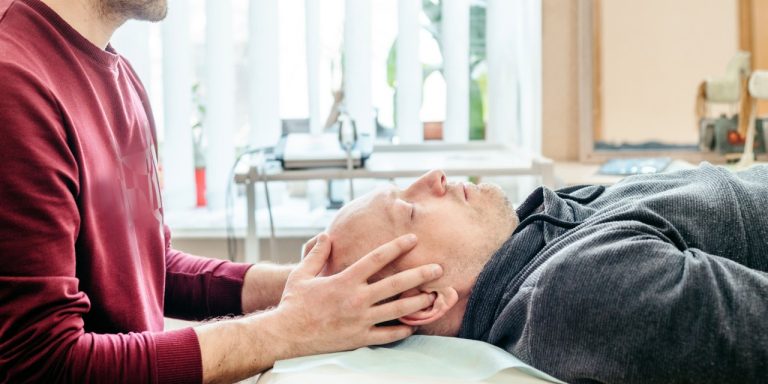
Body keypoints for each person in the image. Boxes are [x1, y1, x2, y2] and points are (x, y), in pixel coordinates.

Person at [0, 0, 443, 383]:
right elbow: (42, 365)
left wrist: (318, 286)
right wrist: (291, 329)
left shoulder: (118, 76)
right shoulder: (14, 83)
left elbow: (151, 267)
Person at [320, 167, 768, 383]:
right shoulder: (578, 288)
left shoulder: (537, 233)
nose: (433, 176)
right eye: (411, 208)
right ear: (427, 300)